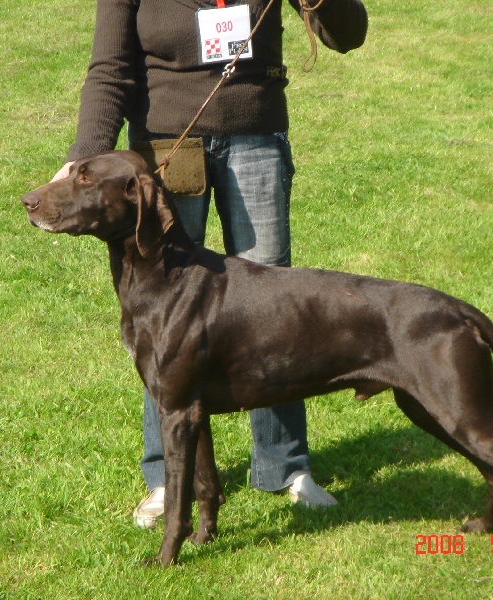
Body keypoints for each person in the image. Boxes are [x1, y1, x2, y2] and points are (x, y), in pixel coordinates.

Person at [52, 0, 368, 528]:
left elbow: (346, 35)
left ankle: (285, 467)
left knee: (275, 305)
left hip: (257, 139)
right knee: (164, 315)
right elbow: (110, 67)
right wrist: (86, 155)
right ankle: (165, 480)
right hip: (168, 147)